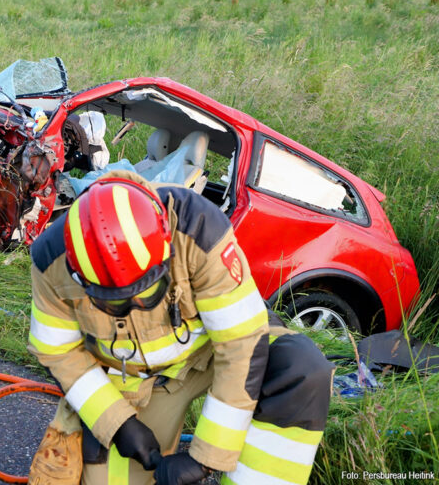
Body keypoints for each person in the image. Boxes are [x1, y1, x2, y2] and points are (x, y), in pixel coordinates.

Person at [26, 170, 334, 485]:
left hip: (216, 353)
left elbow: (241, 343)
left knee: (300, 369)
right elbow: (58, 352)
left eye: (148, 294)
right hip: (137, 380)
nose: (136, 306)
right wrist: (117, 422)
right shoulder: (50, 263)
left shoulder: (197, 227)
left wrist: (205, 459)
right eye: (117, 303)